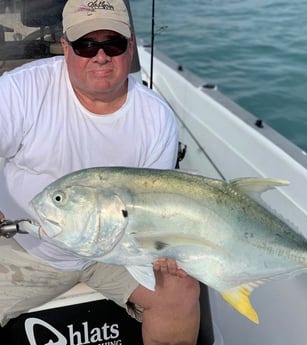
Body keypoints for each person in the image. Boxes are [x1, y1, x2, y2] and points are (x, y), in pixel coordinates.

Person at [0, 0, 200, 344]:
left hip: (117, 252)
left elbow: (153, 213)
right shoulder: (21, 90)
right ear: (65, 47)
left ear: (130, 46)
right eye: (86, 44)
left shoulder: (156, 117)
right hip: (25, 247)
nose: (100, 56)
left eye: (113, 43)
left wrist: (163, 249)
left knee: (180, 292)